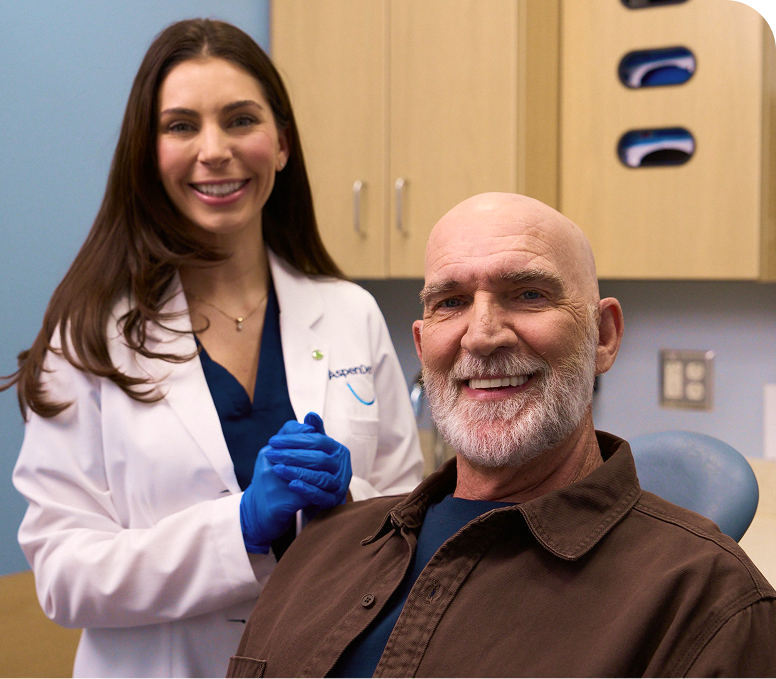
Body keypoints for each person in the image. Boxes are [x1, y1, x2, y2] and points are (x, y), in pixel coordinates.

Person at [0, 19, 423, 678]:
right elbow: (63, 571)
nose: (214, 150)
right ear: (148, 152)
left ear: (281, 144)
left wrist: (348, 502)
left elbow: (410, 520)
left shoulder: (348, 314)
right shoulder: (87, 334)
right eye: (181, 125)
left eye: (240, 119)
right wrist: (241, 525)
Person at [228, 193, 776, 678]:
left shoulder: (706, 604)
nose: (483, 335)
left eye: (529, 294)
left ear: (604, 336)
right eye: (451, 302)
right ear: (422, 347)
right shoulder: (319, 551)